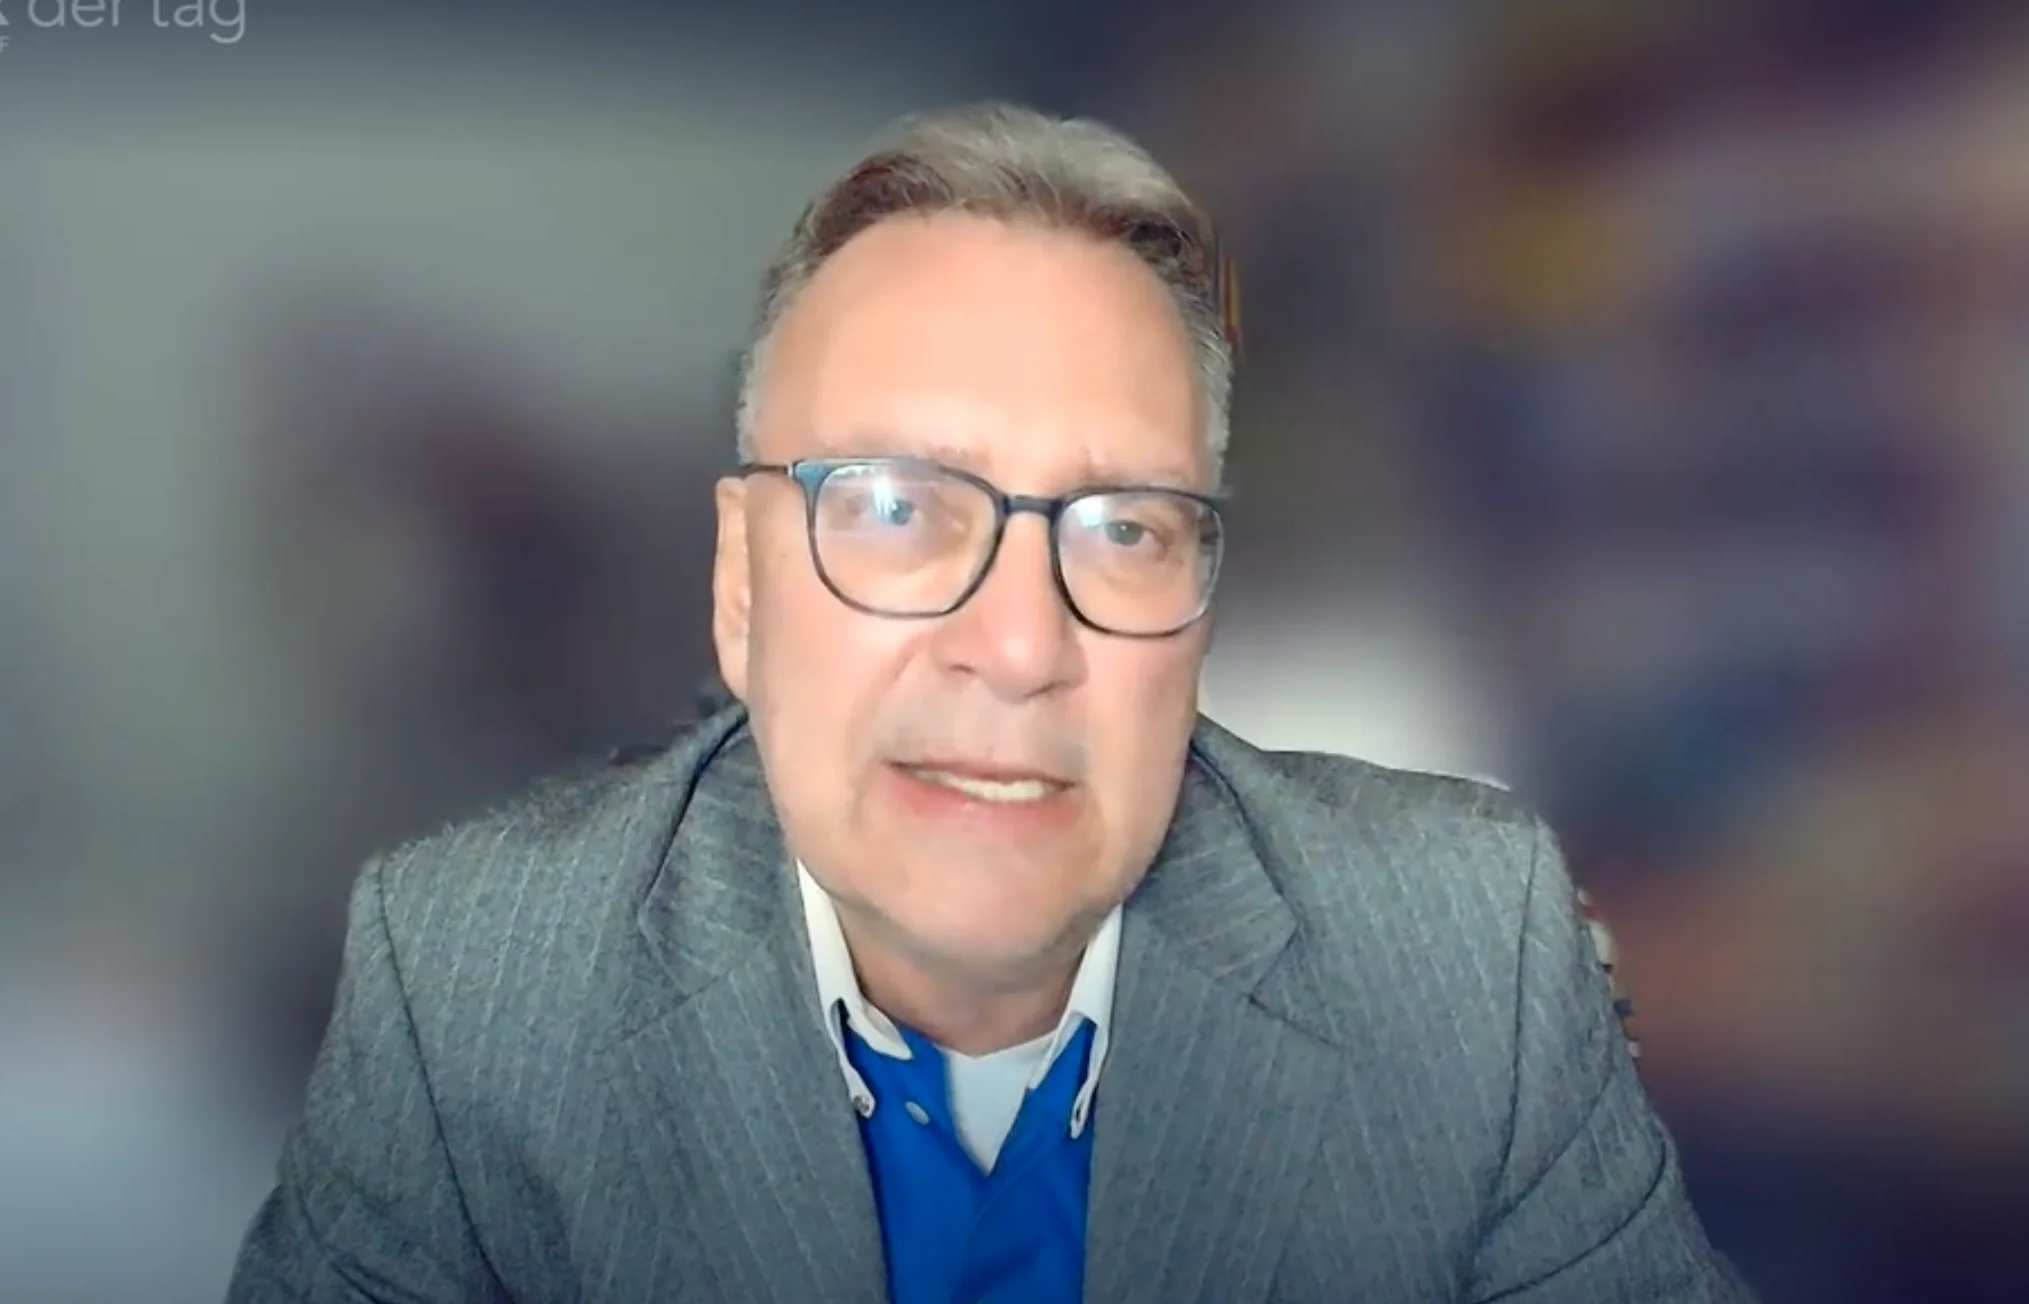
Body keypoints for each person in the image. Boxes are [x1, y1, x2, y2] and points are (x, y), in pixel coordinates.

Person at [225, 101, 1751, 1303]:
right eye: (897, 510)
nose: (1019, 645)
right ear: (740, 589)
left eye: (1125, 530)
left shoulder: (1466, 961)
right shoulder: (477, 990)